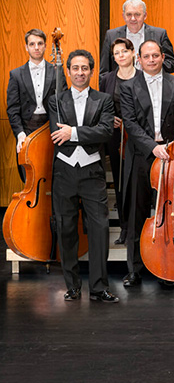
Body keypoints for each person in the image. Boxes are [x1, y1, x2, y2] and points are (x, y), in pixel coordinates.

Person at [116, 39, 174, 286]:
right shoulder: (129, 86)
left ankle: (169, 265)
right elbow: (129, 122)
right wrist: (153, 147)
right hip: (142, 156)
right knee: (137, 213)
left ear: (163, 57)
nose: (151, 60)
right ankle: (135, 269)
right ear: (138, 60)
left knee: (173, 212)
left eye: (156, 55)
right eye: (146, 56)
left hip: (173, 155)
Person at [49, 49, 118, 304]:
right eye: (75, 68)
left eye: (85, 68)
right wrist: (81, 133)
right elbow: (58, 137)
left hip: (92, 172)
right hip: (64, 171)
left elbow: (105, 132)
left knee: (100, 229)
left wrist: (74, 132)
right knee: (66, 229)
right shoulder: (55, 100)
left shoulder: (104, 100)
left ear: (91, 71)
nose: (80, 73)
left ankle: (99, 288)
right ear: (68, 71)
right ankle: (73, 286)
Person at [98, 37, 137, 241]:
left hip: (137, 136)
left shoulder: (142, 77)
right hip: (116, 136)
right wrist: (108, 117)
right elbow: (102, 105)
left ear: (132, 53)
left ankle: (136, 227)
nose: (121, 56)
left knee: (136, 183)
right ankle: (124, 227)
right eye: (117, 53)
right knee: (120, 181)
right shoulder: (107, 79)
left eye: (124, 51)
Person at [7, 28, 62, 145]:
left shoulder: (56, 71)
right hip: (26, 128)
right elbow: (12, 109)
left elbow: (63, 102)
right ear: (26, 47)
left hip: (51, 127)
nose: (36, 47)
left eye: (40, 43)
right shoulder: (16, 75)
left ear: (45, 46)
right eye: (32, 44)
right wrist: (19, 133)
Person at [101, 0, 174, 75]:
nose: (133, 19)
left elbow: (171, 65)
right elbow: (104, 71)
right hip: (120, 86)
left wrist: (151, 65)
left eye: (137, 14)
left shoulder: (159, 34)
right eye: (129, 14)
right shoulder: (111, 35)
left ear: (145, 15)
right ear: (123, 16)